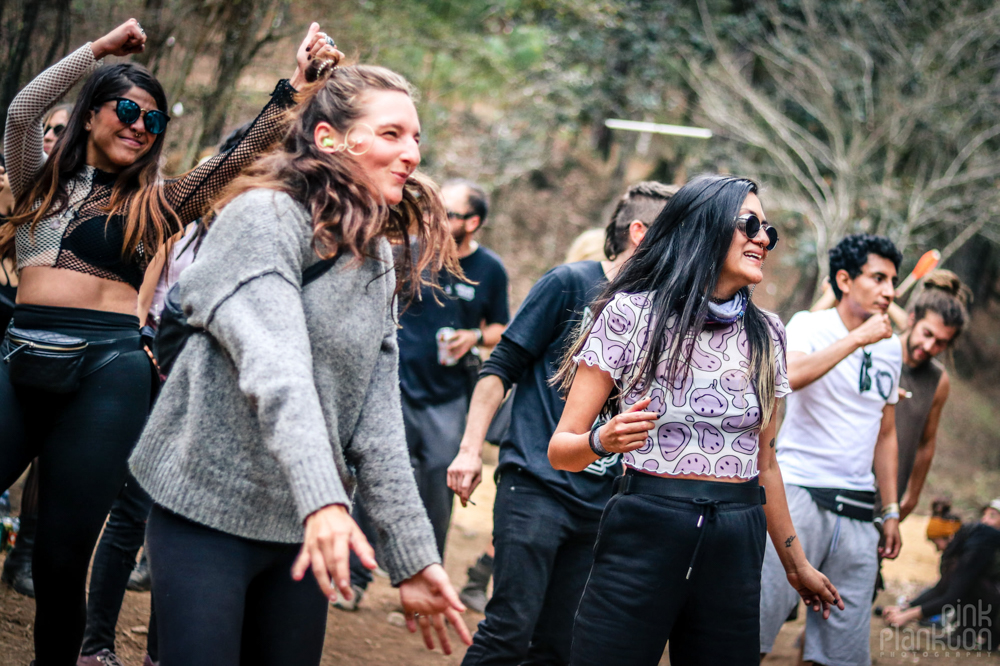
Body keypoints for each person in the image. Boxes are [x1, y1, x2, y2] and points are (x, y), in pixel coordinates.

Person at [128, 51, 473, 665]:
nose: (412, 153)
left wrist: (414, 559)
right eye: (391, 133)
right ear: (329, 138)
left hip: (307, 529)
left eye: (416, 137)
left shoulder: (377, 258)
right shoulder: (264, 218)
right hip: (209, 506)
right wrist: (327, 502)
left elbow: (377, 422)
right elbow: (278, 369)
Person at [0, 18, 323, 664]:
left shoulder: (160, 203)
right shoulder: (35, 179)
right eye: (125, 109)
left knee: (63, 559)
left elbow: (237, 158)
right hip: (19, 353)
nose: (138, 127)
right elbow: (22, 110)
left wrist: (296, 89)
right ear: (91, 115)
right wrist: (100, 50)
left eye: (153, 121)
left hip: (106, 375)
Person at [549, 174, 840, 665]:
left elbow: (766, 466)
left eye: (769, 229)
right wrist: (603, 439)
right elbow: (563, 450)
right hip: (644, 531)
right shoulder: (629, 315)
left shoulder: (769, 334)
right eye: (750, 224)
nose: (763, 239)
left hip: (736, 540)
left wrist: (796, 564)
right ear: (704, 227)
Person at [450, 182, 677, 665]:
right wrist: (470, 449)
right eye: (674, 232)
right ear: (640, 233)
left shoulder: (663, 316)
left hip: (601, 504)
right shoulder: (569, 283)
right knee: (509, 629)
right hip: (535, 483)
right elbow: (500, 369)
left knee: (559, 644)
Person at [77, 122, 254, 666]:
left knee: (184, 516)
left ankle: (161, 652)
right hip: (156, 364)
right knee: (133, 510)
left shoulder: (259, 233)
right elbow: (148, 295)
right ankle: (96, 644)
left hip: (217, 386)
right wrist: (142, 351)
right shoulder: (178, 217)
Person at [758, 233, 905, 665]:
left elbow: (886, 432)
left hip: (860, 516)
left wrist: (891, 508)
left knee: (840, 655)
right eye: (878, 278)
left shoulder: (892, 348)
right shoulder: (808, 324)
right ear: (844, 279)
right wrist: (858, 339)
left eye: (892, 281)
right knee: (753, 633)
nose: (889, 291)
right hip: (800, 499)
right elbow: (790, 374)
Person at [892, 270, 970, 520]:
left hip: (888, 501)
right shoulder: (877, 350)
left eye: (940, 342)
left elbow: (926, 443)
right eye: (927, 334)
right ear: (912, 319)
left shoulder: (939, 381)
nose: (929, 347)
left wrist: (912, 497)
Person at [884, 500, 1000, 648]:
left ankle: (969, 635)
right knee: (963, 578)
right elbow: (941, 588)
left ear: (949, 536)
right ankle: (966, 634)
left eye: (936, 543)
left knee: (967, 582)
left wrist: (906, 616)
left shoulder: (979, 544)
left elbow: (952, 597)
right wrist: (904, 608)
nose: (937, 550)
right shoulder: (972, 538)